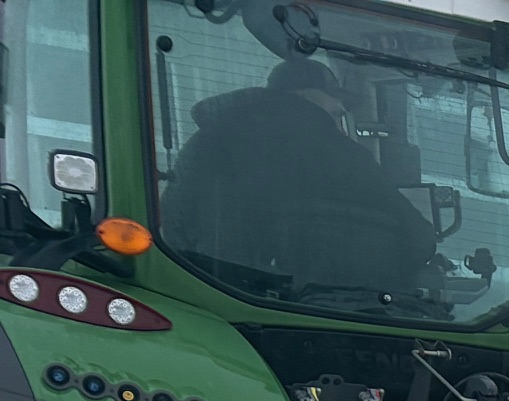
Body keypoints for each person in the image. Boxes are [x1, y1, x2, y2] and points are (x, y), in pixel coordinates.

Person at [160, 56, 437, 299]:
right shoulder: (338, 155)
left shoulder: (206, 141)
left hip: (210, 296)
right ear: (304, 96)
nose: (340, 126)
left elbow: (174, 219)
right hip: (307, 308)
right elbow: (418, 236)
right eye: (335, 114)